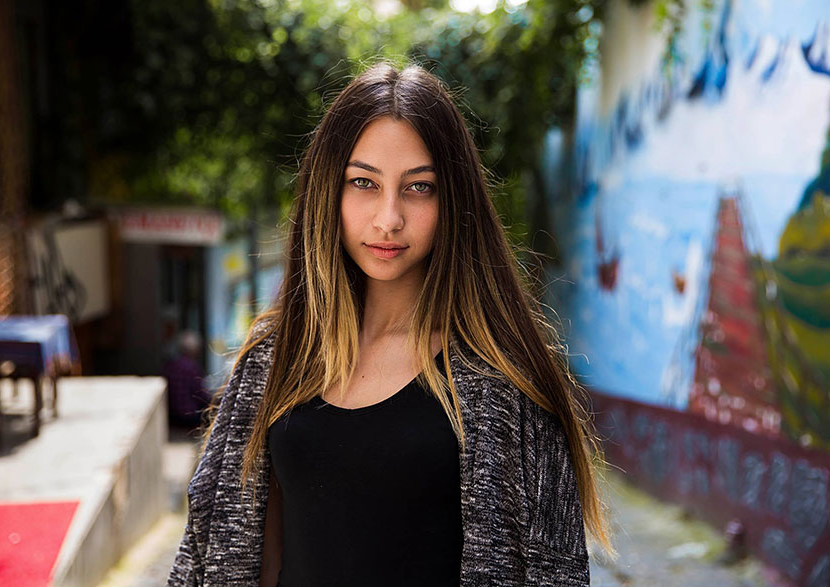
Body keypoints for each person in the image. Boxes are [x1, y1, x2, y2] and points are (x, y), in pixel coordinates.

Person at [168, 61, 613, 587]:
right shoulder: (274, 359)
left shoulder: (505, 384)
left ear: (454, 200)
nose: (388, 218)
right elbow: (221, 547)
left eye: (418, 188)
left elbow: (553, 572)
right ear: (327, 191)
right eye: (363, 183)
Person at [162, 330, 211, 430]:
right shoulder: (192, 367)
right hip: (189, 416)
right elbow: (201, 394)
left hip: (171, 415)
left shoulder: (170, 366)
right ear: (195, 350)